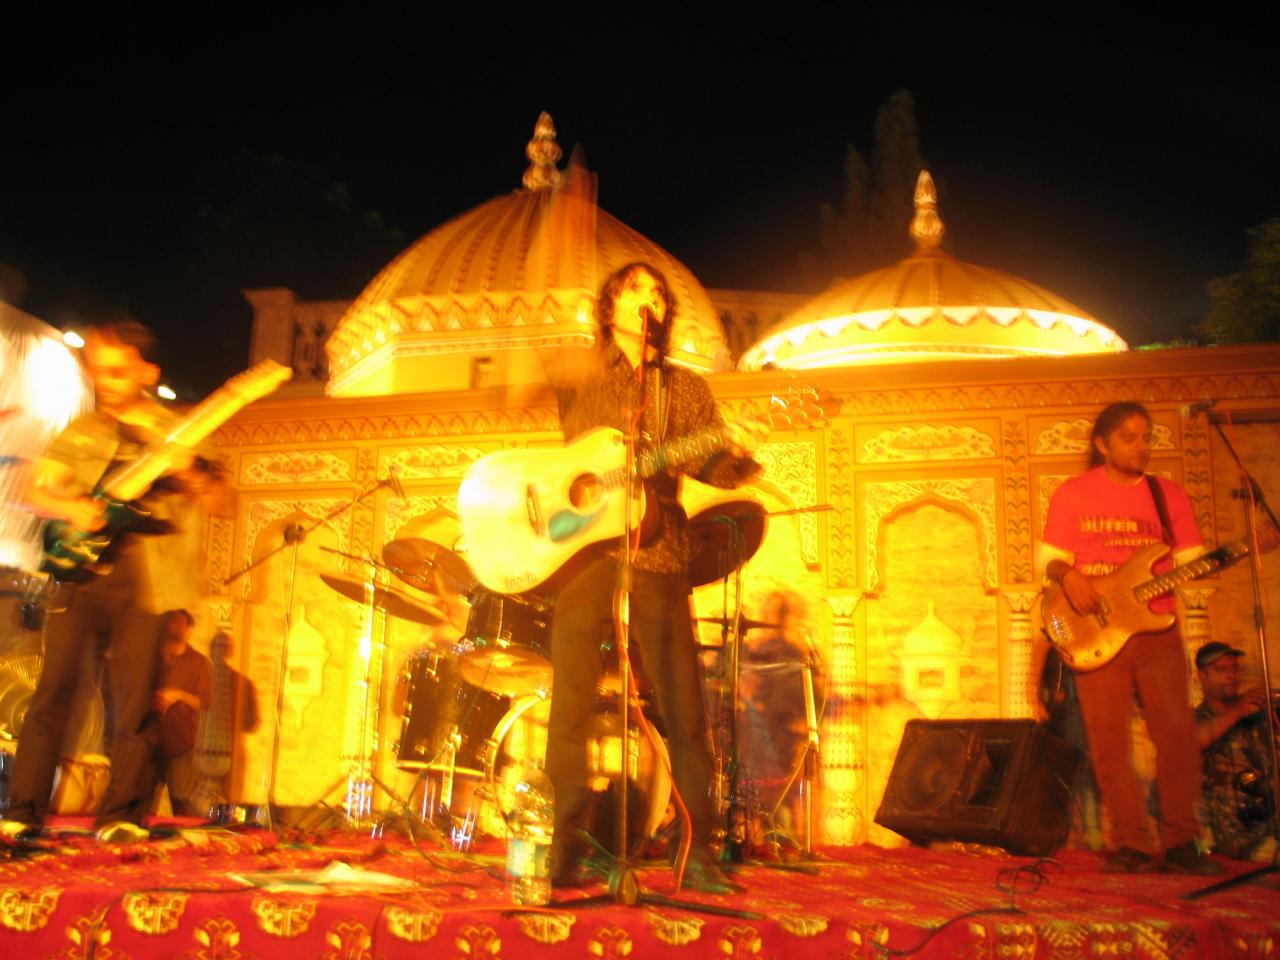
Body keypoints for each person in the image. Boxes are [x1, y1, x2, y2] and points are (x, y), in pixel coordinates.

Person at [542, 262, 760, 892]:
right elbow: (571, 461)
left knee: (684, 711)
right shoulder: (584, 377)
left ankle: (697, 854)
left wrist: (739, 451)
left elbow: (713, 466)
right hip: (585, 555)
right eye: (636, 289)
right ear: (610, 305)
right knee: (570, 708)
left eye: (658, 293)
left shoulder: (684, 389)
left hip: (659, 552)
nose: (650, 299)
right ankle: (566, 846)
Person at [0, 315, 205, 842]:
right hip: (81, 576)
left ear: (146, 372)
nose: (105, 381)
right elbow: (33, 492)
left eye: (117, 371)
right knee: (53, 692)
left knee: (134, 704)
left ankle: (120, 817)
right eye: (97, 370)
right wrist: (71, 507)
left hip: (147, 584)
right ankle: (22, 810)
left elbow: (217, 498)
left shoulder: (176, 432)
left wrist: (186, 470)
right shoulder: (82, 431)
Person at [1038, 401, 1222, 874]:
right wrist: (1069, 575)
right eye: (1129, 437)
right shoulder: (1073, 493)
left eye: (1146, 437)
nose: (1142, 446)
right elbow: (1048, 560)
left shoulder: (1168, 495)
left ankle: (1181, 840)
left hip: (1158, 628)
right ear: (1102, 444)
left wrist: (1243, 549)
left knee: (1177, 735)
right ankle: (1133, 843)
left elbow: (1192, 559)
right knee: (1108, 742)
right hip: (1098, 628)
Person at [1194, 641, 1278, 860]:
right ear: (1202, 677)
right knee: (1198, 850)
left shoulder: (1254, 717)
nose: (1231, 676)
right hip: (1215, 838)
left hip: (1263, 825)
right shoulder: (1196, 718)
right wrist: (1237, 710)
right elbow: (1192, 742)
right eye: (1221, 670)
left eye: (1234, 668)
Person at [151, 609, 214, 817]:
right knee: (143, 803)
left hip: (182, 745)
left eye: (180, 623)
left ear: (189, 630)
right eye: (171, 622)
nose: (174, 627)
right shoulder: (151, 658)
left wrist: (178, 695)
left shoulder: (198, 662)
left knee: (183, 803)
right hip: (149, 741)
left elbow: (206, 702)